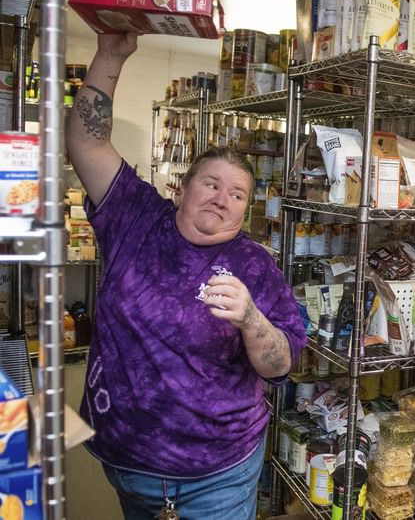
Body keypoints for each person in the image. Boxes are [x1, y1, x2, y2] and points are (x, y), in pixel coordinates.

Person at [66, 33, 307, 519]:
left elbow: (281, 365)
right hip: (127, 457)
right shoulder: (134, 215)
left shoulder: (256, 265)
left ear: (247, 209)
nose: (222, 197)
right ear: (181, 188)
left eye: (237, 194)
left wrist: (252, 320)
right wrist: (112, 53)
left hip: (219, 470)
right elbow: (86, 142)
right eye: (211, 183)